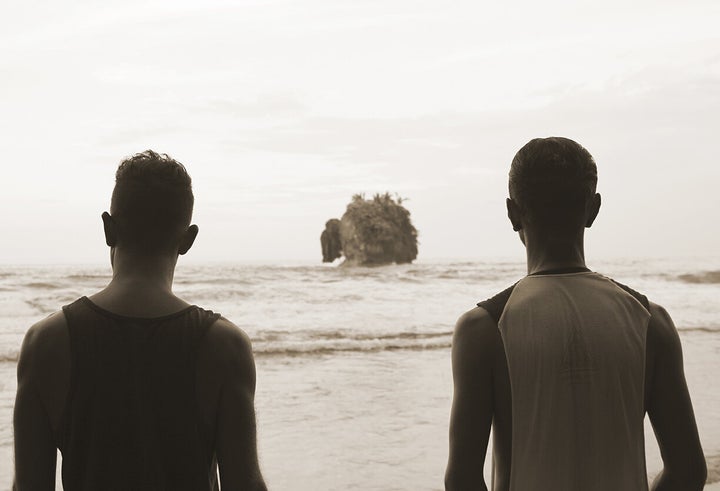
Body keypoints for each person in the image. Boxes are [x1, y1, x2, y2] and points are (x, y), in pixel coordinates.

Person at [445, 137, 707, 490]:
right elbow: (688, 472)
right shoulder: (650, 322)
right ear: (593, 209)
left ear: (512, 212)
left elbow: (462, 480)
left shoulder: (484, 330)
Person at [14, 151, 267, 491]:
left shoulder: (46, 341)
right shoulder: (224, 345)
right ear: (188, 240)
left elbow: (29, 487)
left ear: (108, 228)